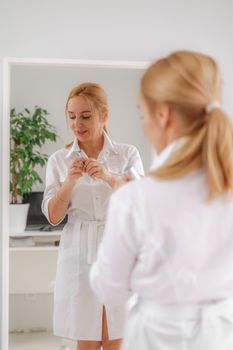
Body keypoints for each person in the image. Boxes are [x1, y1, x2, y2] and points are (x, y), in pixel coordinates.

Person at [90, 51, 233, 350]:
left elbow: (109, 289)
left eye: (142, 114)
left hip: (156, 338)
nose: (144, 125)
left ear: (162, 115)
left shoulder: (135, 199)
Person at [41, 82, 144, 350]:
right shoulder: (59, 160)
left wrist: (109, 177)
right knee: (86, 337)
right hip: (78, 252)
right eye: (72, 116)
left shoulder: (127, 154)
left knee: (117, 336)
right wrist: (69, 182)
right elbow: (53, 216)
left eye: (85, 116)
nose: (77, 123)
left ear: (104, 116)